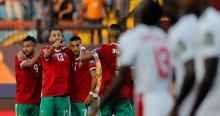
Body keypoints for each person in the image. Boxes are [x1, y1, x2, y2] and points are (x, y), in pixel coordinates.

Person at [89, 1, 174, 116]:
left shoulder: (132, 37)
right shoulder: (165, 37)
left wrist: (98, 105)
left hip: (147, 99)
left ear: (140, 16)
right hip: (166, 98)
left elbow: (121, 77)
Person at [79, 24, 132, 116]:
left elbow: (82, 58)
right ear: (121, 35)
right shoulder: (128, 50)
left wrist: (83, 48)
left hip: (106, 93)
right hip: (123, 93)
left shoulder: (104, 48)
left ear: (109, 35)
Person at [165, 0, 198, 115]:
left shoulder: (179, 31)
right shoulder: (198, 22)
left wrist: (177, 105)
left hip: (189, 102)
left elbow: (190, 71)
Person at [189, 0, 220, 115]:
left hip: (211, 105)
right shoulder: (202, 22)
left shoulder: (209, 23)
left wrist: (193, 109)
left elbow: (209, 73)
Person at [39, 28, 73, 116]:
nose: (57, 37)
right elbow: (47, 56)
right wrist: (54, 46)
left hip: (63, 95)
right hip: (48, 94)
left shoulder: (69, 52)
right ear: (50, 39)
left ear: (62, 37)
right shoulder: (45, 49)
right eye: (54, 35)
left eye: (59, 35)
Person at [69, 36, 97, 116]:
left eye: (77, 45)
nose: (75, 48)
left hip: (84, 99)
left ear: (81, 45)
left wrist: (91, 94)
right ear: (69, 47)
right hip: (71, 100)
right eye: (73, 46)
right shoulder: (69, 59)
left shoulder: (87, 58)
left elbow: (95, 77)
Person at [15, 35, 42, 116]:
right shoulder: (19, 58)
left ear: (34, 47)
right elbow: (29, 64)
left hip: (36, 102)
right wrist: (41, 53)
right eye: (23, 46)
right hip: (22, 102)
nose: (25, 49)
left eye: (28, 46)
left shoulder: (40, 61)